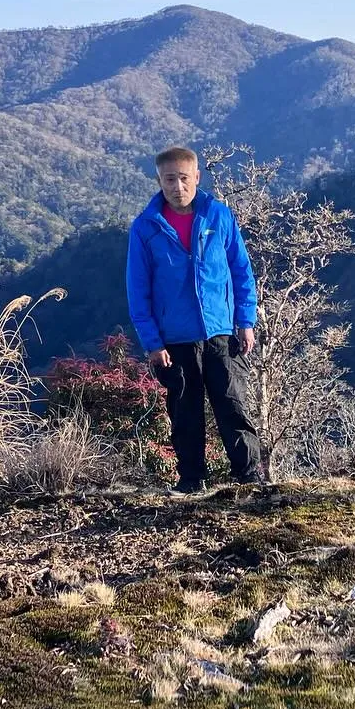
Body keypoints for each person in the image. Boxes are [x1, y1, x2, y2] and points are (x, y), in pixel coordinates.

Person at [126, 145, 263, 493]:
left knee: (233, 406)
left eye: (184, 178)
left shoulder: (218, 216)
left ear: (197, 177)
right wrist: (152, 343)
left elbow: (241, 271)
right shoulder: (145, 228)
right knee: (185, 414)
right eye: (169, 179)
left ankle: (249, 479)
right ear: (159, 180)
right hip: (175, 339)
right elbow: (137, 290)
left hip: (221, 332)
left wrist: (245, 321)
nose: (177, 187)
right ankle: (191, 482)